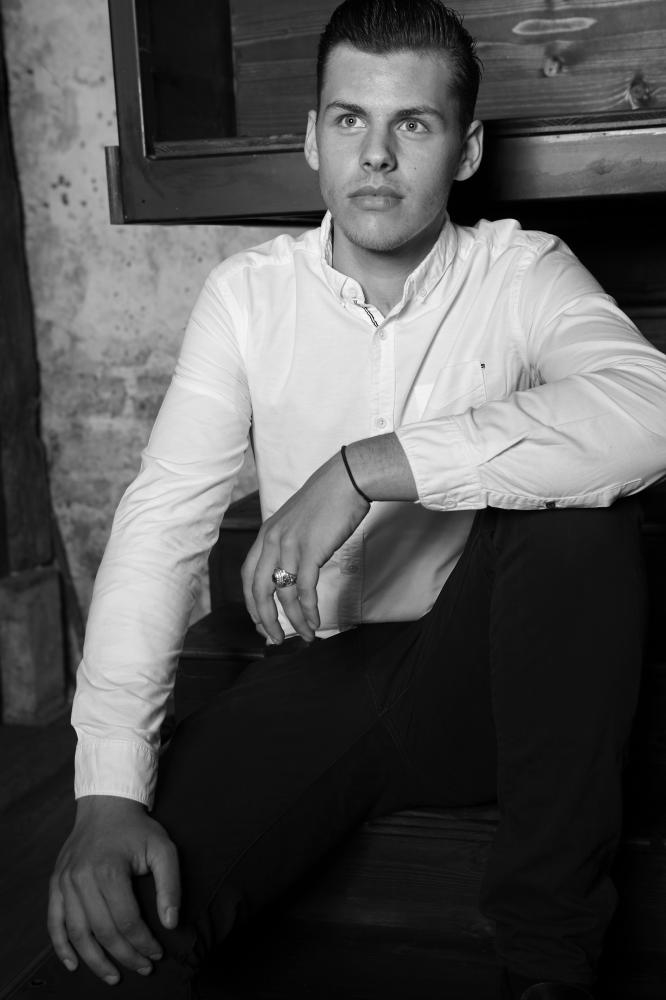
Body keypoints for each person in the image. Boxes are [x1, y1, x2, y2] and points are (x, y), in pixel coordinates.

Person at [47, 1, 666, 998]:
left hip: (487, 681)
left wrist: (367, 466)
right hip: (321, 674)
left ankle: (548, 969)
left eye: (412, 124)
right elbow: (163, 523)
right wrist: (108, 791)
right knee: (125, 928)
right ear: (313, 138)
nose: (375, 155)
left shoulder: (523, 273)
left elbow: (652, 407)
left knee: (584, 513)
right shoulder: (248, 297)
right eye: (350, 120)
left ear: (467, 150)